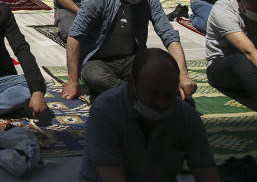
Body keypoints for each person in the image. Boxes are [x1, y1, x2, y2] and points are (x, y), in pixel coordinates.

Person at [63, 0, 196, 99]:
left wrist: (183, 75)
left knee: (162, 66)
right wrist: (72, 81)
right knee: (94, 77)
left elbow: (168, 34)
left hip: (133, 58)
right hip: (100, 61)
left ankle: (130, 91)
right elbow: (75, 36)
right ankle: (140, 92)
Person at [79, 49, 218, 182]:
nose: (161, 103)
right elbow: (112, 177)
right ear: (132, 83)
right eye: (153, 93)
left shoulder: (186, 116)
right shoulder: (106, 110)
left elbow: (207, 173)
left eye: (168, 95)